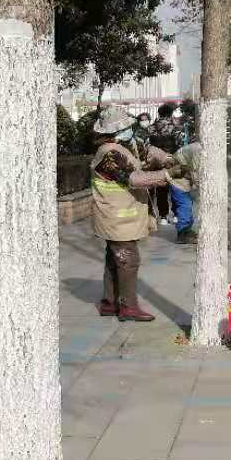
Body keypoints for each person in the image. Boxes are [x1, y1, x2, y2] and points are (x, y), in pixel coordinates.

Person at [91, 105, 175, 322]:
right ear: (114, 132)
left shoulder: (124, 146)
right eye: (127, 126)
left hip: (120, 214)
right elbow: (132, 179)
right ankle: (128, 307)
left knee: (114, 259)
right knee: (128, 259)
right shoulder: (109, 153)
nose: (131, 129)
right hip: (116, 216)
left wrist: (168, 159)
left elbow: (147, 151)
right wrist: (166, 175)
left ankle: (109, 303)